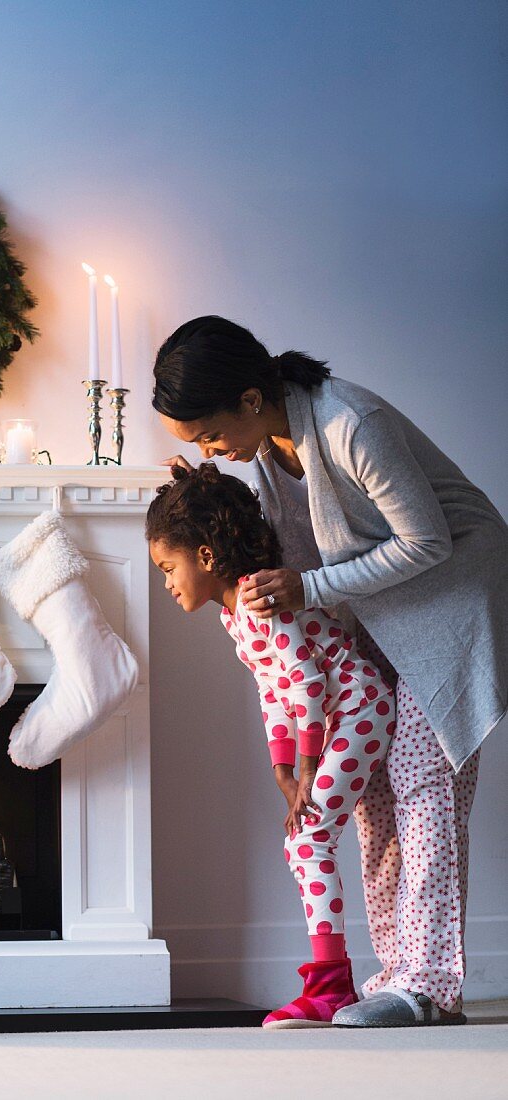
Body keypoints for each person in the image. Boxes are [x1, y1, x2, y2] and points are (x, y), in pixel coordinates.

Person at [153, 315, 507, 1027]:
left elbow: (427, 542)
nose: (211, 449)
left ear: (252, 398)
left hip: (450, 602)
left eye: (207, 434)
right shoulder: (265, 450)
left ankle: (431, 986)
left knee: (423, 789)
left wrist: (310, 592)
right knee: (375, 800)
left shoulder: (351, 423)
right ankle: (393, 978)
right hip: (375, 613)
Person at [147, 464, 397, 1028]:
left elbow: (308, 684)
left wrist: (307, 767)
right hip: (334, 722)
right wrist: (283, 769)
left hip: (360, 708)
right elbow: (273, 691)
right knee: (307, 841)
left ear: (206, 557)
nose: (165, 582)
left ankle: (331, 987)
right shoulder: (235, 618)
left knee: (308, 837)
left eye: (168, 568)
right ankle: (333, 981)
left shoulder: (261, 601)